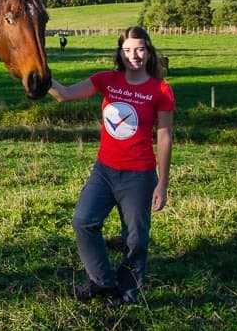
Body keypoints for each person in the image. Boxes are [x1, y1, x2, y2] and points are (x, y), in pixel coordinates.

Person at [49, 26, 175, 308]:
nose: (134, 56)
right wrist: (41, 76)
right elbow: (66, 94)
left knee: (136, 240)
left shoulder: (161, 90)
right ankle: (103, 281)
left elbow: (164, 136)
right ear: (120, 52)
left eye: (140, 49)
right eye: (128, 50)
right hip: (104, 171)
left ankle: (127, 294)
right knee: (83, 222)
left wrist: (162, 183)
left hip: (139, 176)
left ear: (149, 51)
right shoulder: (107, 80)